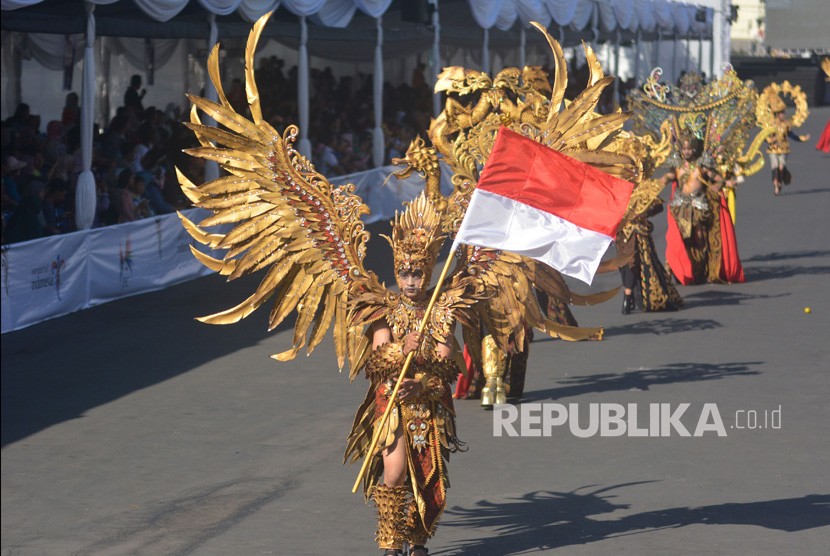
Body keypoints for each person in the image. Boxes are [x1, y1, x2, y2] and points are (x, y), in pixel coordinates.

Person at [345, 197, 464, 556]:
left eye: (417, 274)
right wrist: (402, 349)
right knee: (394, 472)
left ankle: (417, 540)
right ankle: (390, 542)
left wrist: (424, 379)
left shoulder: (441, 313)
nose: (411, 282)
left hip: (426, 406)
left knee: (427, 479)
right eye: (404, 273)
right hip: (393, 401)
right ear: (396, 272)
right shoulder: (384, 309)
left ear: (429, 272)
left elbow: (446, 368)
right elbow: (378, 361)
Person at [663, 131, 744, 285]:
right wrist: (656, 184)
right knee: (678, 238)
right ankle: (672, 269)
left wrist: (719, 184)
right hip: (680, 206)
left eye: (689, 149)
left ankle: (700, 269)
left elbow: (717, 178)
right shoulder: (677, 166)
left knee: (699, 238)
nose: (686, 152)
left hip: (698, 205)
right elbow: (667, 178)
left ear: (694, 150)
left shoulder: (701, 166)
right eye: (684, 149)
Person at [617, 196, 683, 313]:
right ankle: (629, 295)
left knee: (633, 262)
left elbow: (658, 206)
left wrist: (644, 213)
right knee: (625, 264)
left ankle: (628, 296)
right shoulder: (618, 188)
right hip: (622, 233)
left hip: (638, 234)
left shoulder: (644, 189)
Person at [765, 103, 809, 196]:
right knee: (775, 167)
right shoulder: (771, 124)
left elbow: (792, 135)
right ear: (777, 114)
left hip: (784, 148)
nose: (783, 115)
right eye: (781, 113)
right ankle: (776, 186)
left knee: (781, 166)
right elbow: (764, 136)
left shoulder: (786, 124)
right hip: (773, 148)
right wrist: (770, 140)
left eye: (783, 113)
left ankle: (780, 181)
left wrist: (802, 138)